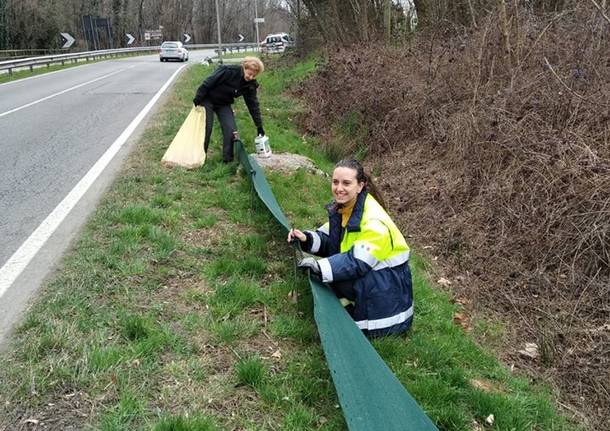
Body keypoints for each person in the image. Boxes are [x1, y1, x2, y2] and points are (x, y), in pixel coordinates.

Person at [287, 159, 413, 337]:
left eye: (346, 183)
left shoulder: (374, 221)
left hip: (387, 302)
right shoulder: (347, 208)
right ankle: (346, 306)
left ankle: (354, 317)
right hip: (377, 285)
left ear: (360, 186)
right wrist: (305, 238)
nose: (339, 188)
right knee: (334, 272)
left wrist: (319, 267)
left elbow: (356, 262)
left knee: (336, 273)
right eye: (335, 182)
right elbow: (331, 239)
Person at [192, 57, 265, 163]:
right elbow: (208, 82)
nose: (250, 77)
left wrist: (259, 126)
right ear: (244, 67)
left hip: (224, 104)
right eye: (249, 73)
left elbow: (253, 105)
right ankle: (199, 158)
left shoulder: (250, 85)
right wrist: (198, 98)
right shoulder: (228, 71)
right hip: (207, 100)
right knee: (206, 128)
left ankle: (227, 160)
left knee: (231, 131)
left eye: (254, 75)